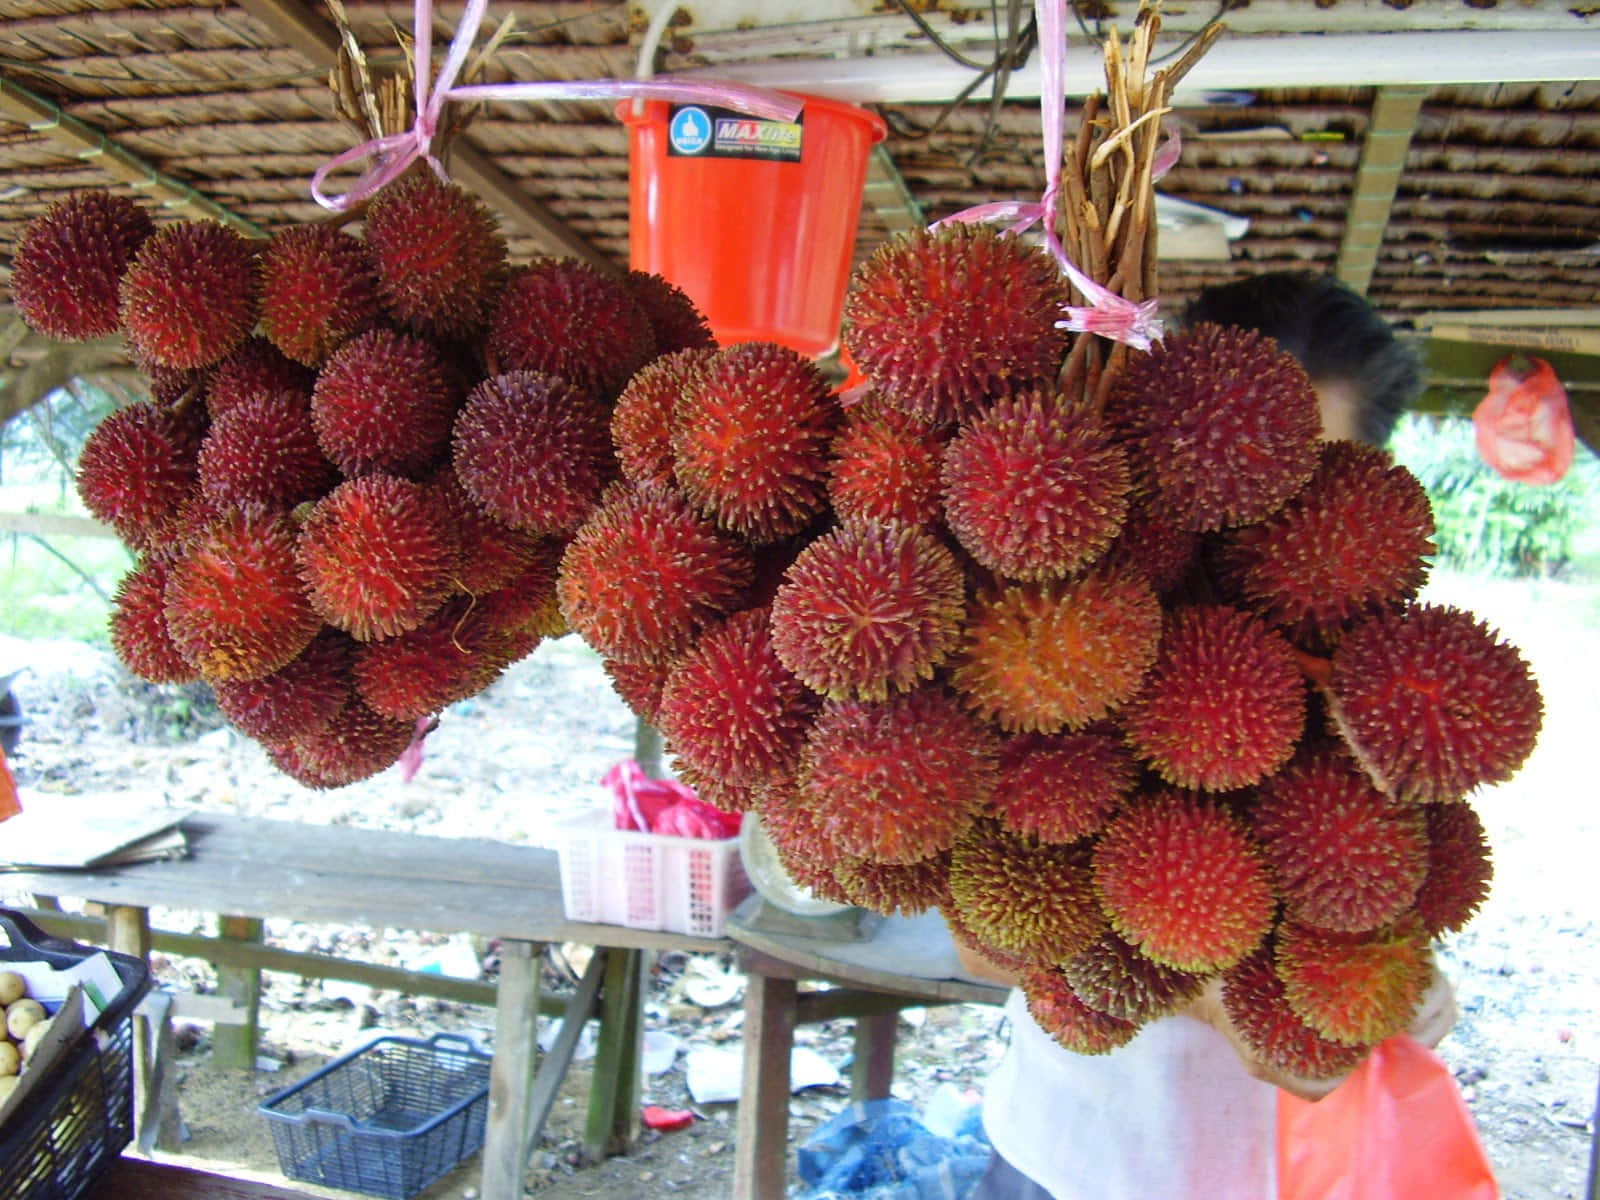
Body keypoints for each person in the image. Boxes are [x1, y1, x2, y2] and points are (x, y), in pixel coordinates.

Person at [956, 271, 1455, 1200]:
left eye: (1311, 483)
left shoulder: (1385, 677)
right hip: (1066, 1153)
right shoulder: (1076, 591)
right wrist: (1207, 993)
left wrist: (1409, 991)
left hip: (1273, 1173)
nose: (1265, 514)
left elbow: (1396, 904)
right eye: (1241, 474)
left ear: (1370, 488)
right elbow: (981, 942)